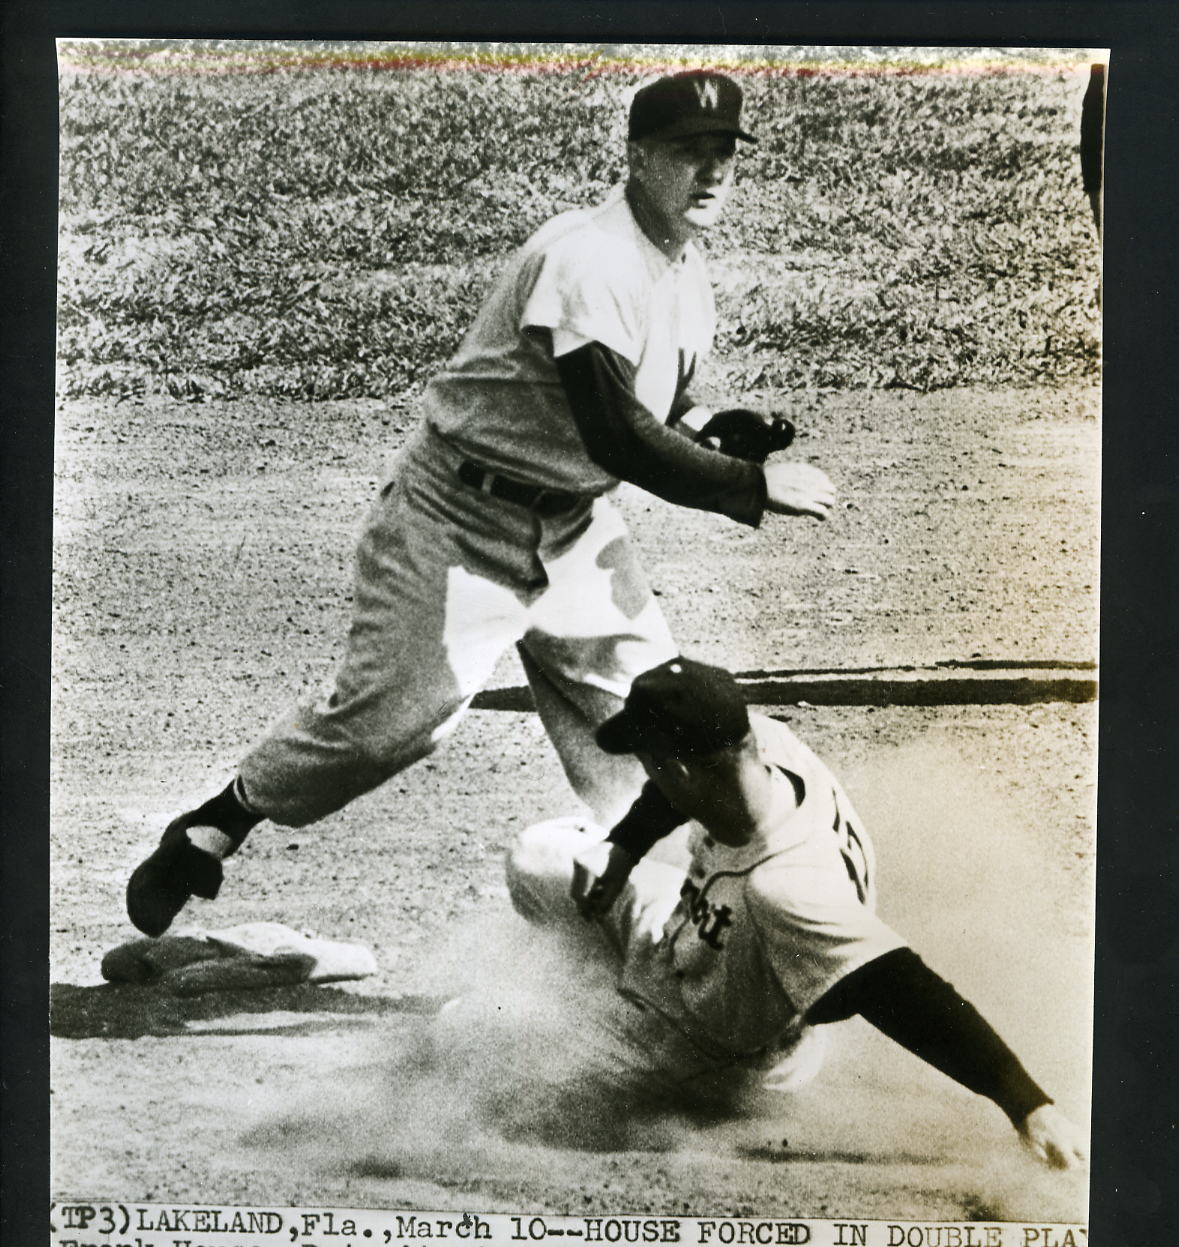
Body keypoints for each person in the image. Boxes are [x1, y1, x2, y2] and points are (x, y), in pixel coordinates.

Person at [127, 67, 835, 939]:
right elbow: (616, 436)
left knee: (656, 719)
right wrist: (747, 486)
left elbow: (643, 405)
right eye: (690, 152)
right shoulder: (589, 257)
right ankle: (218, 820)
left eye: (725, 152)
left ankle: (649, 930)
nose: (713, 171)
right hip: (456, 520)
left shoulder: (680, 262)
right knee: (389, 726)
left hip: (574, 528)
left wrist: (710, 424)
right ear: (637, 156)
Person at [505, 657, 1088, 1170]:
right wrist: (624, 848)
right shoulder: (758, 745)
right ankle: (632, 985)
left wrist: (1027, 1104)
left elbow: (905, 992)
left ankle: (673, 1071)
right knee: (541, 857)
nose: (649, 770)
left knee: (498, 1052)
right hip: (700, 944)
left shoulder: (785, 888)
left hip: (712, 1049)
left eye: (650, 759)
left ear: (678, 769)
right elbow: (674, 783)